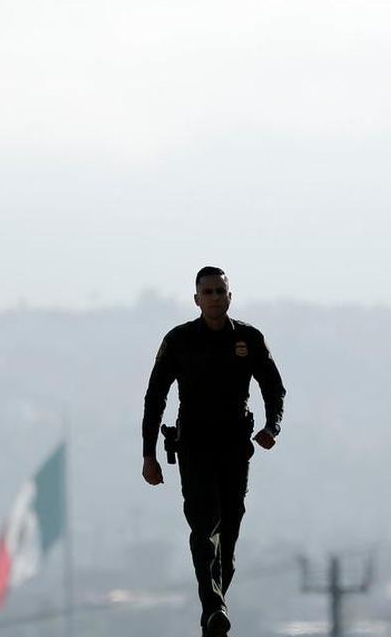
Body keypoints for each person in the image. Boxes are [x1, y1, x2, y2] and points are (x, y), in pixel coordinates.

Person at [141, 266, 286, 637]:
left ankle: (212, 617)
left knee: (229, 541)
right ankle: (215, 608)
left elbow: (274, 388)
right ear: (196, 299)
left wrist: (272, 427)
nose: (215, 298)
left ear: (230, 296)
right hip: (194, 447)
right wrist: (149, 454)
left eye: (220, 291)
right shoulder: (179, 341)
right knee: (205, 529)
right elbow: (155, 397)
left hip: (235, 449)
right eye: (208, 292)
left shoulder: (249, 340)